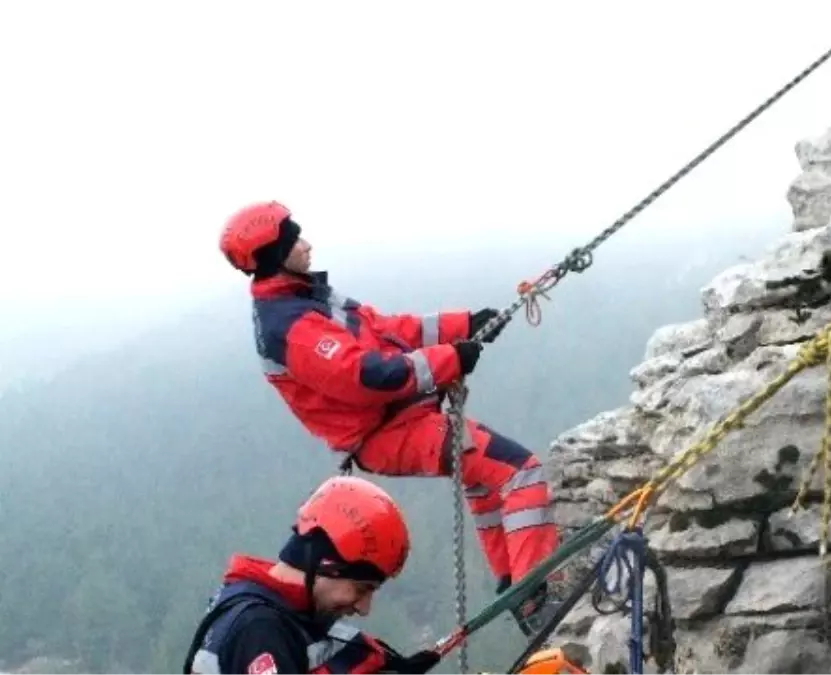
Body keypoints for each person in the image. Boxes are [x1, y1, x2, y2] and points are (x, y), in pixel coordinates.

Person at [218, 200, 559, 634]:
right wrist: (450, 359)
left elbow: (387, 330)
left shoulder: (306, 296)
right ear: (273, 255)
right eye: (294, 240)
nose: (306, 245)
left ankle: (516, 581)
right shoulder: (291, 326)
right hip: (392, 432)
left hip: (399, 423)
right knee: (520, 472)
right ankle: (535, 597)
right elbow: (367, 376)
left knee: (483, 480)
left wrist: (463, 325)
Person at [183, 475, 442, 675]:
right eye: (362, 588)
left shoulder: (282, 613)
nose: (364, 608)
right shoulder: (260, 631)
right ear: (324, 565)